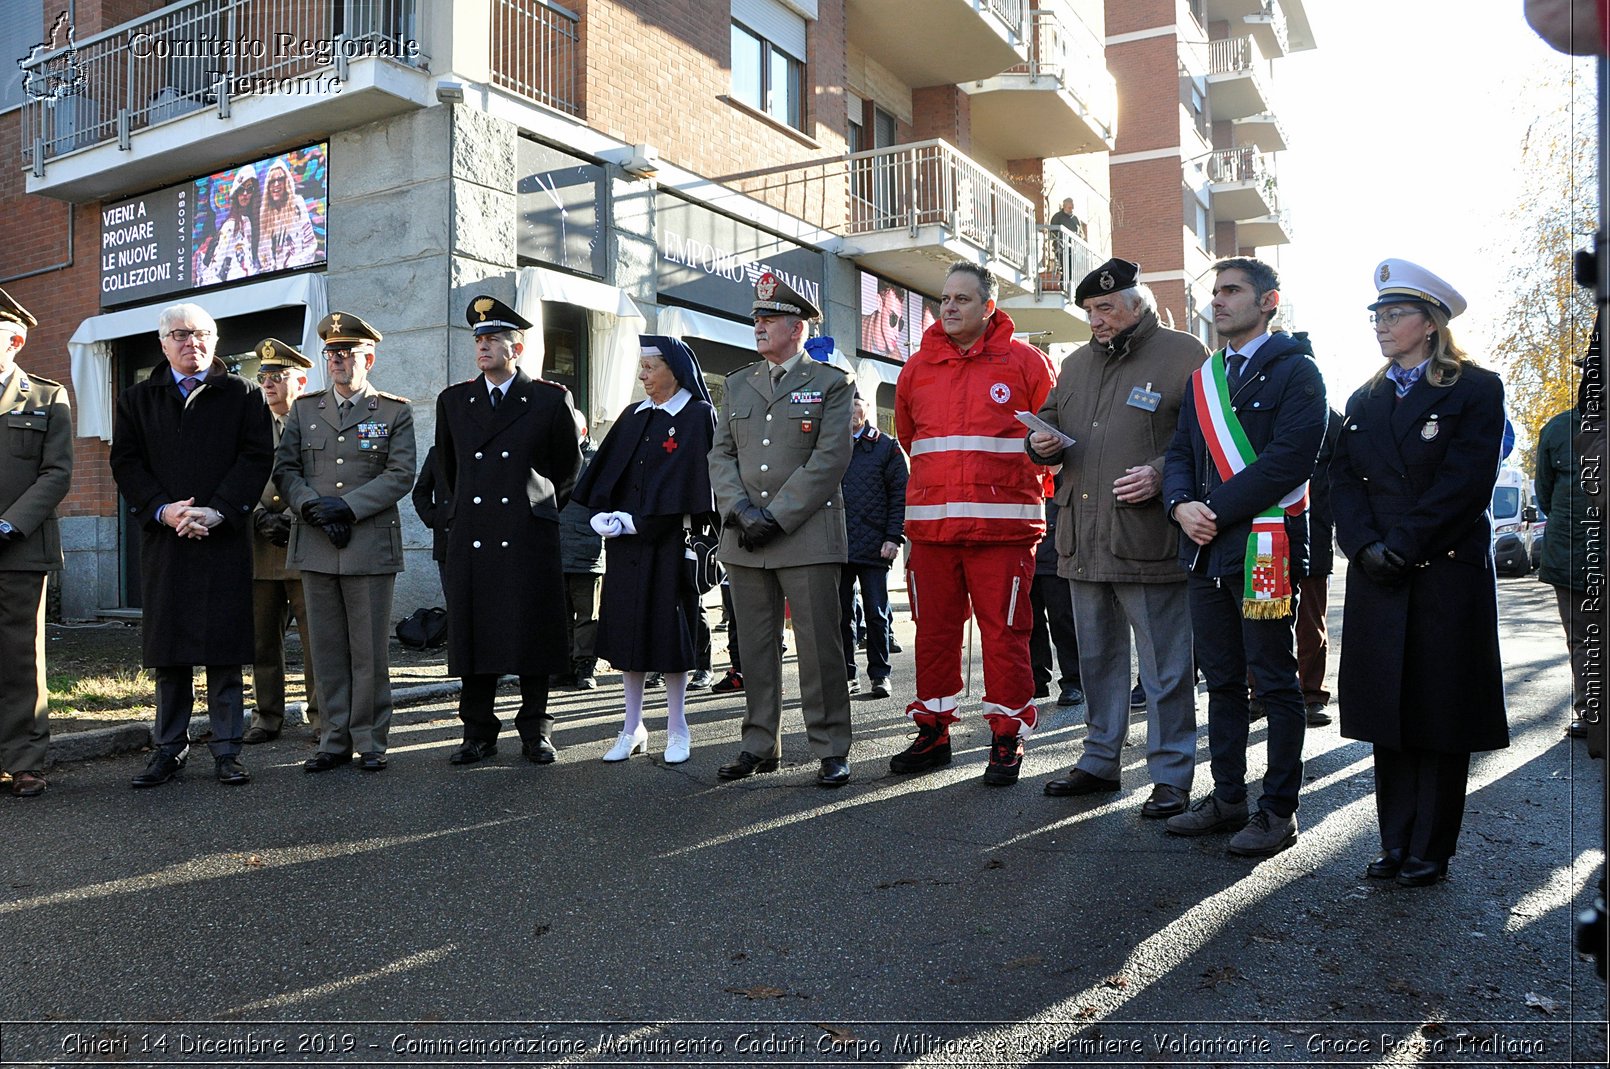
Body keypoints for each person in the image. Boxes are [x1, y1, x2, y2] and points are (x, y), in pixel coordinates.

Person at [1332, 259, 1509, 887]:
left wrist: (1401, 545)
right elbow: (1341, 482)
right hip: (1379, 572)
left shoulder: (1475, 389)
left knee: (1439, 712)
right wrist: (1362, 546)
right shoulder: (1364, 398)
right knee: (1390, 713)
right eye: (1376, 314)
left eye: (1394, 314)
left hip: (1441, 572)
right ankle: (1395, 841)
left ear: (1430, 323)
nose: (1381, 324)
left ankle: (1430, 848)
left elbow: (1465, 482)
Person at [1161, 256, 1326, 856]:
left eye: (1232, 291)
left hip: (1264, 547)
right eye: (1215, 292)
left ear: (1268, 301)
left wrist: (1213, 510)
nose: (1219, 300)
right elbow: (1180, 450)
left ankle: (1278, 809)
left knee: (1276, 683)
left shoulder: (1298, 372)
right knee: (1223, 681)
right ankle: (1228, 797)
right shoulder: (1203, 379)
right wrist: (1180, 504)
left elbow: (1291, 460)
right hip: (1204, 551)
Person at [1028, 258, 1204, 817]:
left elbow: (1205, 443)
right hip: (1082, 536)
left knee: (1166, 667)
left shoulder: (1186, 355)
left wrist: (1158, 471)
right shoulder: (1075, 363)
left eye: (1105, 308)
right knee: (1099, 659)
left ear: (1138, 303)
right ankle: (1100, 760)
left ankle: (1172, 773)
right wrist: (1042, 446)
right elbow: (1049, 424)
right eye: (1089, 311)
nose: (1096, 320)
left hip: (1147, 536)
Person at [892, 260, 1056, 785]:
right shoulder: (916, 368)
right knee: (933, 634)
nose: (951, 307)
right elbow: (908, 436)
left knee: (1006, 633)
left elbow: (1051, 438)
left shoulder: (1027, 363)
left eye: (963, 299)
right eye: (945, 299)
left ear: (989, 307)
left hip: (1003, 531)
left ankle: (1007, 736)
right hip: (932, 532)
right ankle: (933, 730)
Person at [110, 303, 274, 787]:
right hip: (166, 540)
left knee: (225, 649)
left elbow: (256, 457)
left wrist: (217, 510)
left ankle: (227, 748)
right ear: (162, 343)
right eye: (179, 334)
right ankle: (168, 748)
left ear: (215, 341)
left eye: (201, 334)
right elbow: (126, 463)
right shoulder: (137, 399)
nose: (191, 342)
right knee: (170, 651)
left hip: (222, 536)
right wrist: (166, 510)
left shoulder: (243, 394)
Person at [709, 271, 855, 787]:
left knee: (819, 646)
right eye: (756, 318)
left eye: (769, 318)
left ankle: (831, 745)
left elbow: (830, 459)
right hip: (745, 535)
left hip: (806, 534)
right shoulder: (739, 382)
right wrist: (741, 511)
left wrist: (776, 516)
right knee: (753, 646)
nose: (759, 325)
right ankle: (758, 743)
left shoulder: (831, 384)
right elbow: (720, 455)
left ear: (797, 327)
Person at [434, 296, 580, 768]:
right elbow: (447, 470)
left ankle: (536, 730)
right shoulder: (454, 400)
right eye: (478, 339)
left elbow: (567, 470)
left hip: (526, 534)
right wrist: (454, 518)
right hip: (473, 534)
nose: (483, 347)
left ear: (516, 348)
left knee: (532, 634)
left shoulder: (548, 399)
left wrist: (537, 509)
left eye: (493, 339)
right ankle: (477, 732)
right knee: (475, 636)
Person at [275, 311, 415, 773]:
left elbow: (400, 474)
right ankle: (332, 740)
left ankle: (370, 739)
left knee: (369, 650)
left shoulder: (394, 411)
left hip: (367, 543)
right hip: (316, 540)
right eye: (331, 353)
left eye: (346, 353)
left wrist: (347, 508)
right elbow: (286, 469)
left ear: (368, 358)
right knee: (327, 648)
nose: (336, 360)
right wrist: (311, 507)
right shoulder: (304, 408)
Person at [575, 336, 718, 764]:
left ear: (673, 369)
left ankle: (678, 728)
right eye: (640, 367)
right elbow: (605, 476)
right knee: (627, 636)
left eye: (649, 367)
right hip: (626, 547)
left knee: (670, 637)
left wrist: (643, 521)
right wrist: (602, 514)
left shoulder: (697, 416)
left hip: (671, 547)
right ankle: (632, 726)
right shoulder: (634, 415)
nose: (642, 375)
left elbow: (700, 490)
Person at [0, 288, 72, 797]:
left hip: (20, 548)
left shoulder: (47, 397)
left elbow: (56, 474)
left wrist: (7, 526)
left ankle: (24, 759)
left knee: (22, 656)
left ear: (15, 341)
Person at [243, 338, 320, 744]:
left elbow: (324, 475)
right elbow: (238, 472)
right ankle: (266, 715)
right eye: (264, 377)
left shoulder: (317, 420)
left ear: (301, 381)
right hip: (259, 541)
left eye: (278, 376)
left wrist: (291, 515)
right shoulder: (249, 423)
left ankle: (321, 717)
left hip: (303, 538)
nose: (269, 384)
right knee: (261, 638)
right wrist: (258, 515)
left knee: (315, 639)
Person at [839, 392, 907, 700]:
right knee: (841, 614)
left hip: (875, 546)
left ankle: (880, 675)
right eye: (847, 409)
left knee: (876, 613)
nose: (852, 415)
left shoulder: (886, 447)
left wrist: (894, 537)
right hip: (837, 547)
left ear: (866, 412)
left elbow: (900, 496)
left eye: (857, 409)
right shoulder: (829, 446)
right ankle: (845, 673)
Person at [1294, 407, 1343, 727]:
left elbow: (1346, 476)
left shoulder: (1331, 419)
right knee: (1262, 614)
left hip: (1315, 534)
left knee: (1312, 622)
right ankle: (1260, 693)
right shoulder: (1264, 402)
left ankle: (1312, 695)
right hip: (1266, 536)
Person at [556, 409, 605, 690]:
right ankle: (563, 665)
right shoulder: (552, 455)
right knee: (559, 614)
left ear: (583, 432)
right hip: (556, 548)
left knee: (587, 614)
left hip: (587, 550)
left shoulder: (598, 461)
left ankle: (585, 666)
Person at [1028, 494, 1082, 709]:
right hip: (1024, 550)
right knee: (1029, 621)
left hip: (1057, 549)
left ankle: (1074, 681)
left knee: (1063, 619)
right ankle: (1035, 678)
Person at [255, 157, 319, 272]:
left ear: (286, 182)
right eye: (272, 181)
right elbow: (262, 252)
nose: (276, 184)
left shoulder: (297, 204)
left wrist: (296, 266)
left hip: (297, 274)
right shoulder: (265, 213)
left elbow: (311, 244)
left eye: (280, 179)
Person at [199, 167, 259, 285]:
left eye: (249, 189)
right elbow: (214, 266)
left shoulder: (250, 223)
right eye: (241, 190)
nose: (245, 194)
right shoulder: (230, 226)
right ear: (236, 195)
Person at [411, 445, 449, 598]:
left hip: (487, 541)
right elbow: (420, 492)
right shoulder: (438, 453)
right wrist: (436, 518)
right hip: (448, 541)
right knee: (455, 604)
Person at [860, 278, 907, 360]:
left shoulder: (898, 360)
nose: (897, 334)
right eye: (893, 318)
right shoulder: (855, 326)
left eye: (900, 323)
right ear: (879, 303)